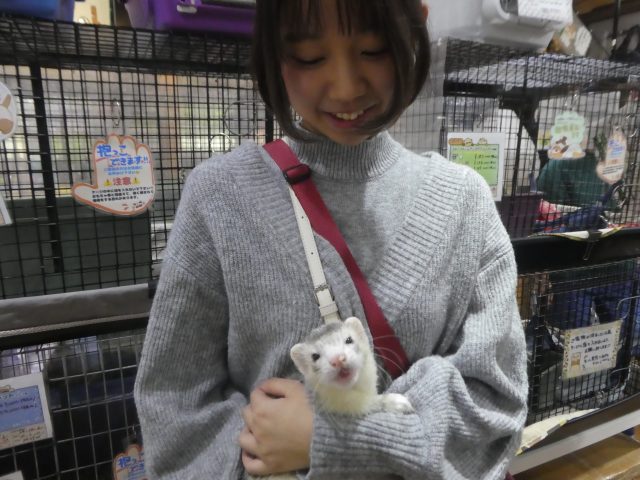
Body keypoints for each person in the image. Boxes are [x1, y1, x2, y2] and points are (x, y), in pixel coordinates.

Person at [133, 0, 529, 478]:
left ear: (413, 30)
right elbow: (173, 406)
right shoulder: (219, 198)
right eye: (309, 57)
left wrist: (334, 437)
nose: (345, 88)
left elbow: (496, 405)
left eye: (374, 49)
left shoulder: (463, 201)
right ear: (273, 48)